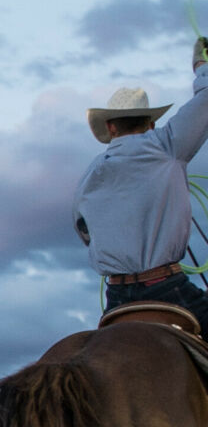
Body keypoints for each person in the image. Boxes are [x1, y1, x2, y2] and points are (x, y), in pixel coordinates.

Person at [74, 37, 208, 326]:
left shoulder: (91, 173)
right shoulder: (167, 144)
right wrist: (201, 66)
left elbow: (84, 229)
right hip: (166, 289)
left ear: (110, 127)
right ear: (150, 123)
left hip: (117, 297)